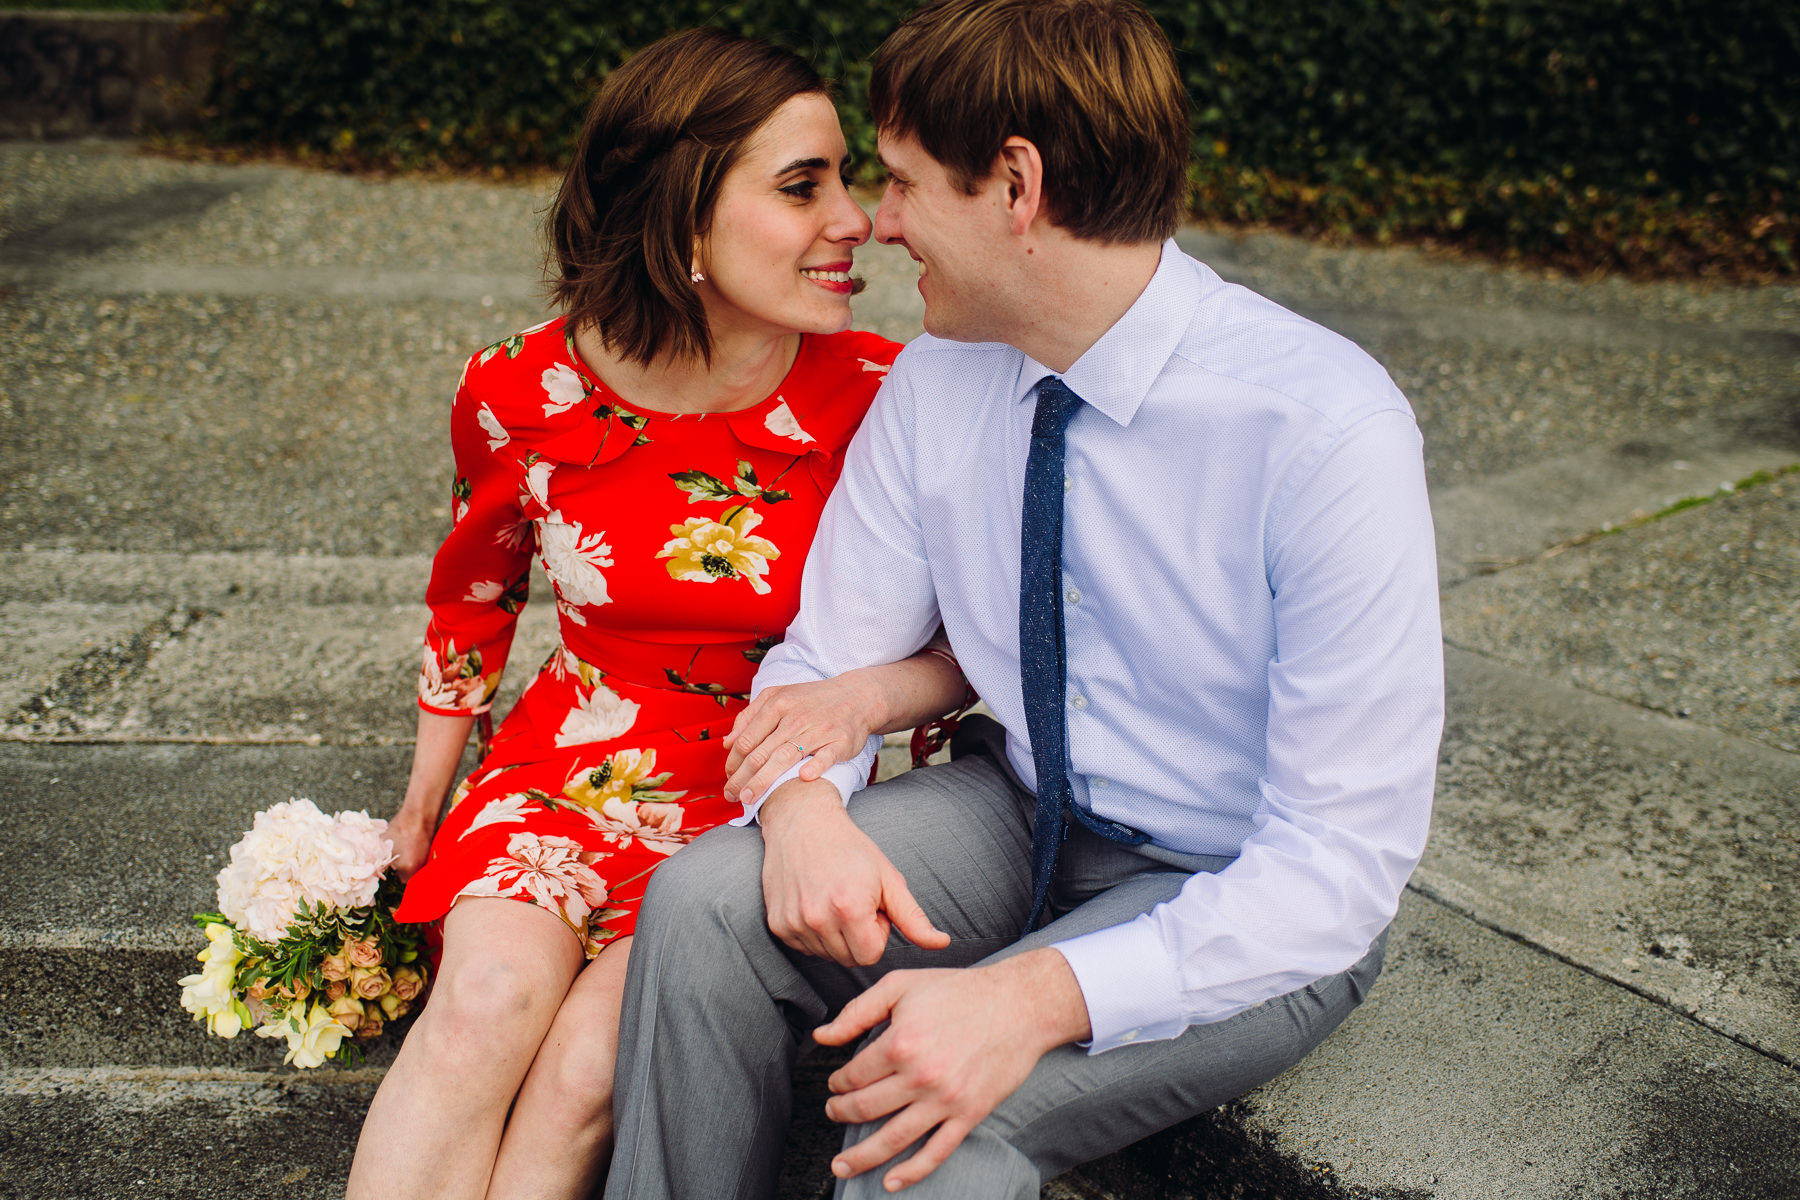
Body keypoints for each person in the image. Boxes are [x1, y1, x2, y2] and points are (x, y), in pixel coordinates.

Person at [602, 1, 1446, 1197]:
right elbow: (824, 656)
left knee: (931, 1116)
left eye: (897, 184)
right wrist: (802, 813)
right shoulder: (941, 379)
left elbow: (1339, 866)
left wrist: (1023, 999)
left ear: (1015, 185)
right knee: (705, 903)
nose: (876, 227)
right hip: (1019, 807)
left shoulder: (1324, 431)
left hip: (1236, 887)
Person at [345, 28, 971, 1200]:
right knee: (480, 1006)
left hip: (771, 798)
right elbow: (474, 593)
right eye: (804, 186)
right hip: (569, 764)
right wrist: (425, 794)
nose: (859, 219)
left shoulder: (892, 395)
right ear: (683, 216)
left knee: (589, 1064)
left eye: (848, 176)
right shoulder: (518, 389)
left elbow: (966, 646)